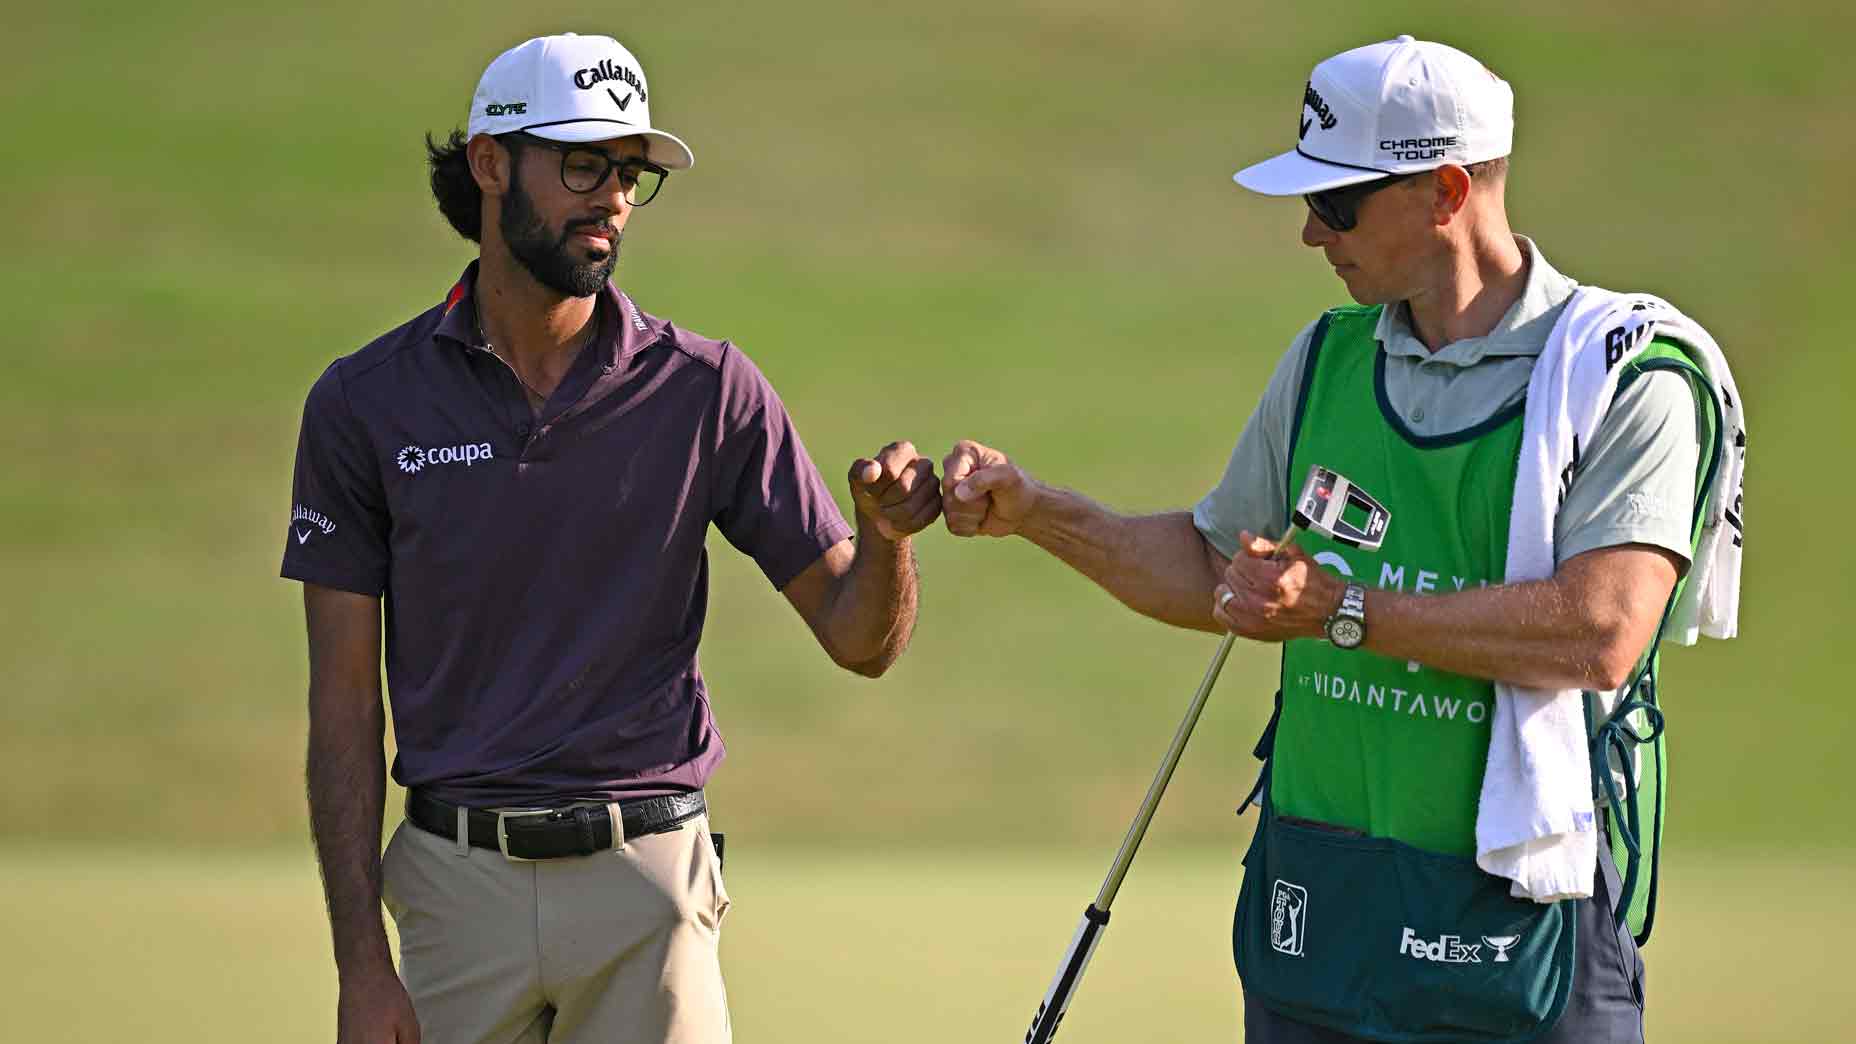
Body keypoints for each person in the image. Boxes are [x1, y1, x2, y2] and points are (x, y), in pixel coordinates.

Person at [940, 34, 1737, 1043]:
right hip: (1322, 905)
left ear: (1445, 190)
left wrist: (1341, 610)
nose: (1311, 237)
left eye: (1336, 205)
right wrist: (1040, 512)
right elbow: (1213, 568)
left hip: (1518, 925)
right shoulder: (1325, 357)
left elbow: (1598, 632)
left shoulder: (1627, 374)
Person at [281, 33, 941, 1044]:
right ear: (491, 164)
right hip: (455, 900)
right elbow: (340, 709)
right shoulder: (364, 404)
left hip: (648, 894)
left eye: (629, 172)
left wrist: (887, 539)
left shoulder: (708, 390)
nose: (613, 198)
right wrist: (359, 966)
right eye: (584, 164)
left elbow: (861, 641)